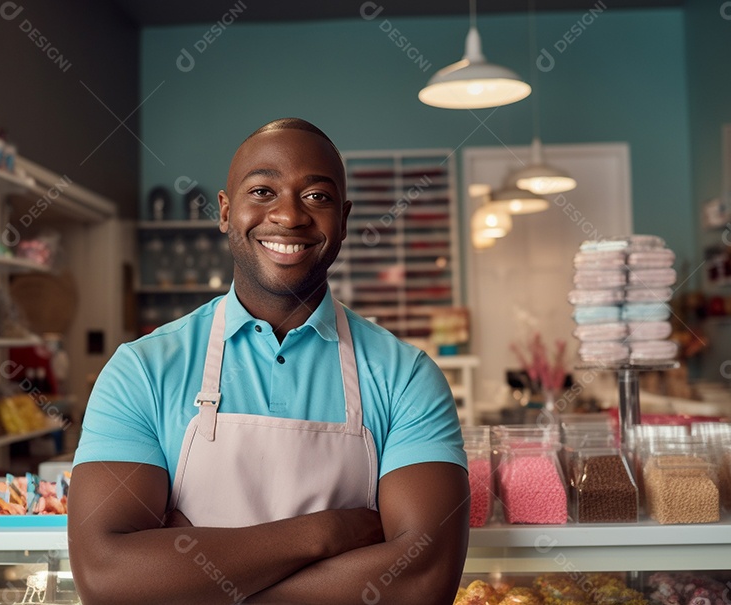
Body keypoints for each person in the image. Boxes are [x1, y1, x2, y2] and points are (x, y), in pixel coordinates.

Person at [69, 118, 469, 604]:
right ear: (225, 210)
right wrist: (327, 533)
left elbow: (423, 580)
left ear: (343, 220)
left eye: (317, 196)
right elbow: (106, 577)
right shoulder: (141, 370)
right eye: (262, 191)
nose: (289, 215)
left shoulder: (407, 376)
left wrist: (194, 583)